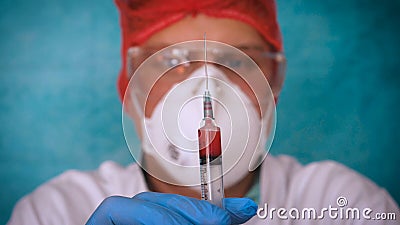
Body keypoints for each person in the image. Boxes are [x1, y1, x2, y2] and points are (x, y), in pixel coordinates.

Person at [8, 0, 399, 224]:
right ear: (129, 89)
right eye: (172, 61)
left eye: (240, 60)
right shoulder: (55, 212)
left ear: (272, 86)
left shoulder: (343, 202)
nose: (207, 86)